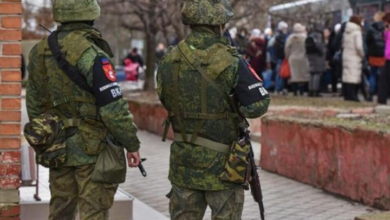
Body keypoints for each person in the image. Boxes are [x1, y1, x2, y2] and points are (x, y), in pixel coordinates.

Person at [26, 0, 141, 219]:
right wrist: (131, 143)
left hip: (56, 148)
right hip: (92, 150)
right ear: (91, 14)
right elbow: (112, 108)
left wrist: (49, 139)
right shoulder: (92, 53)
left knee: (60, 212)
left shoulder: (39, 51)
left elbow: (33, 105)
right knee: (93, 213)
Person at [156, 1, 271, 219]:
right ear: (220, 25)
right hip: (224, 167)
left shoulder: (168, 60)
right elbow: (257, 106)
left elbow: (165, 98)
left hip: (184, 163)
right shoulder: (231, 60)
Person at [342, 15, 365, 102]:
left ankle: (347, 95)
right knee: (354, 76)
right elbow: (359, 46)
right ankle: (353, 96)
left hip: (346, 55)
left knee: (347, 75)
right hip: (354, 56)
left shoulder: (346, 31)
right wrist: (362, 54)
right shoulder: (357, 32)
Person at [285, 23, 310, 96]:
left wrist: (287, 56)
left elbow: (287, 48)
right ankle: (301, 91)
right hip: (303, 58)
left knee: (294, 75)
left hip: (293, 58)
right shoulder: (304, 37)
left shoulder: (290, 38)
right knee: (303, 75)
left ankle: (294, 91)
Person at [366, 11, 386, 101]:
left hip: (373, 55)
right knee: (382, 76)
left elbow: (367, 43)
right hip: (384, 55)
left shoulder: (370, 29)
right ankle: (381, 93)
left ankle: (370, 93)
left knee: (373, 75)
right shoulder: (386, 28)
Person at [306, 24, 327, 97]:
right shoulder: (318, 36)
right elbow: (319, 46)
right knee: (317, 73)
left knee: (312, 73)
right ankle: (315, 90)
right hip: (317, 56)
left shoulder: (310, 35)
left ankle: (310, 90)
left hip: (310, 55)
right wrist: (323, 52)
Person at [270, 21, 289, 94]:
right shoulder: (280, 36)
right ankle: (278, 88)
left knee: (280, 73)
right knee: (280, 73)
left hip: (279, 57)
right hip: (280, 57)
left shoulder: (278, 35)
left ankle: (279, 88)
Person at [378, 13, 390, 105]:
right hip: (387, 57)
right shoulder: (387, 31)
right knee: (384, 78)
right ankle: (382, 98)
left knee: (384, 78)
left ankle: (382, 99)